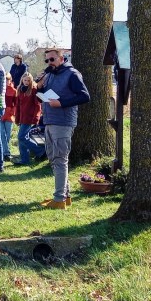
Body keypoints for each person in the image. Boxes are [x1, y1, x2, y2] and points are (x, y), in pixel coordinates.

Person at [35, 49, 90, 208]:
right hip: (50, 120)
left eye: (52, 59)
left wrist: (61, 103)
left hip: (63, 122)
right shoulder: (50, 74)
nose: (49, 63)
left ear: (61, 58)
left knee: (60, 159)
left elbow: (84, 96)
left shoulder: (72, 74)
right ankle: (65, 196)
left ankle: (59, 199)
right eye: (47, 60)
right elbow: (42, 94)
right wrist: (39, 88)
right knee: (53, 158)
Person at [14, 72, 44, 165]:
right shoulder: (19, 89)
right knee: (22, 138)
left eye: (28, 80)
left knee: (21, 137)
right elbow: (18, 106)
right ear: (22, 80)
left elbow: (37, 105)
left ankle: (41, 151)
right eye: (25, 80)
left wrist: (35, 118)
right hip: (22, 117)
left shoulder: (34, 90)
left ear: (31, 81)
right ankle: (25, 159)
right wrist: (17, 118)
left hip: (29, 117)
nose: (26, 82)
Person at [0, 73, 18, 162]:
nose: (6, 81)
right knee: (2, 135)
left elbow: (16, 103)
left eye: (7, 79)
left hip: (9, 115)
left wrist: (12, 111)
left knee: (7, 135)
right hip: (0, 114)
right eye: (5, 80)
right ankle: (6, 153)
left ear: (10, 80)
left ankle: (4, 152)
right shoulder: (0, 89)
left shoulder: (14, 91)